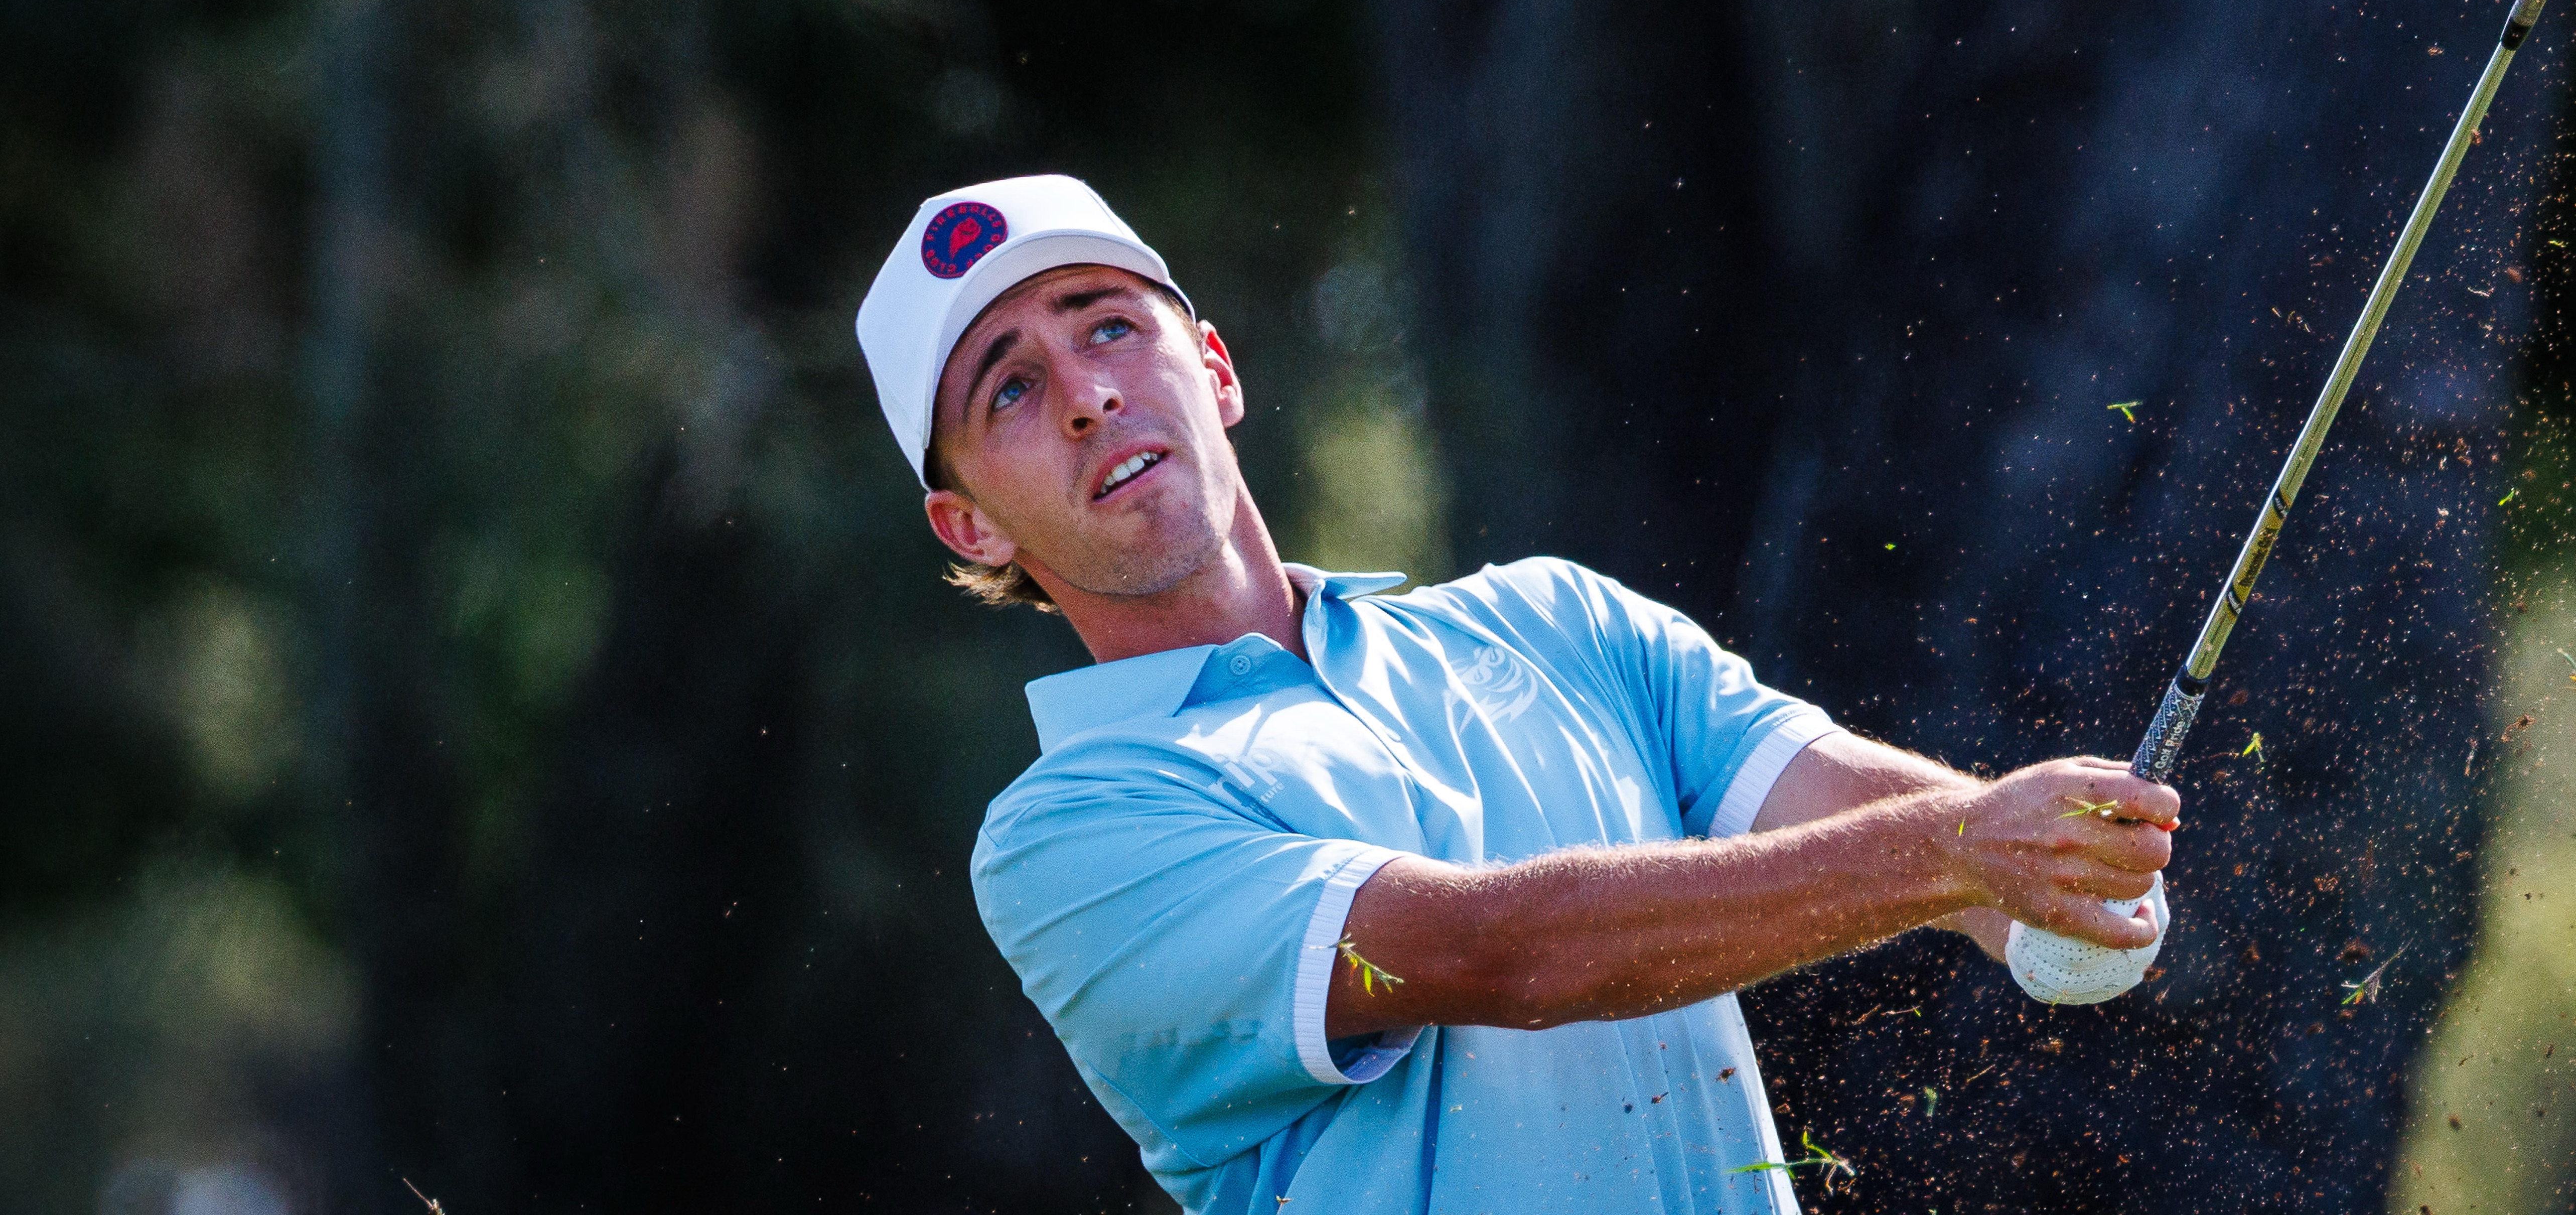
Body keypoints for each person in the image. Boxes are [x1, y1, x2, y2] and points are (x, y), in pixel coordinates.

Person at [856, 174, 2180, 1214]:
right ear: (969, 527)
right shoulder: (1071, 836)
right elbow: (1505, 955)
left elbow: (1835, 797)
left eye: (1108, 328)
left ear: (1211, 369)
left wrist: (2045, 887)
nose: (1088, 395)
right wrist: (1960, 852)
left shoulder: (1555, 620)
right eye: (1013, 389)